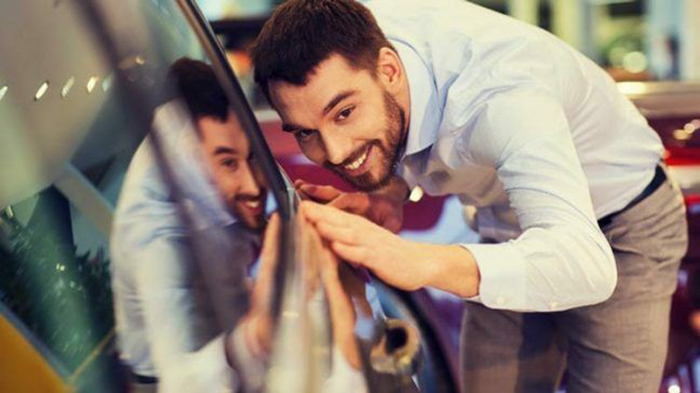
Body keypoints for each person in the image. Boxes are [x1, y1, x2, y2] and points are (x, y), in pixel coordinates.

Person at [249, 0, 689, 391]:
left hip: (621, 226)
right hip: (506, 227)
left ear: (389, 69)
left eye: (344, 113)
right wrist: (393, 193)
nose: (335, 152)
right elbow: (414, 123)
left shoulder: (501, 97)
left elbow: (587, 264)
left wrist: (418, 261)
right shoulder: (351, 31)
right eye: (306, 132)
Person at [111, 58, 273, 392]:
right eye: (228, 163)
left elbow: (274, 196)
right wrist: (253, 337)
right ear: (187, 154)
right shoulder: (156, 236)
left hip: (231, 333)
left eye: (253, 156)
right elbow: (178, 382)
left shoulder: (210, 142)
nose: (254, 184)